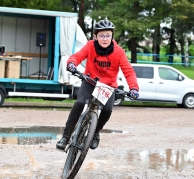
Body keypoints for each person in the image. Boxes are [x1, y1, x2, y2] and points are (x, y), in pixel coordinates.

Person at [56, 19, 139, 151]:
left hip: (108, 86)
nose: (105, 39)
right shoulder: (90, 46)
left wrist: (134, 88)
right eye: (101, 35)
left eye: (108, 35)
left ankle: (95, 132)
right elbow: (78, 56)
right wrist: (72, 63)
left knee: (107, 110)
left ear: (112, 36)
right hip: (90, 82)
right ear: (95, 36)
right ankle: (65, 137)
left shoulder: (119, 52)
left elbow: (128, 71)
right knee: (79, 103)